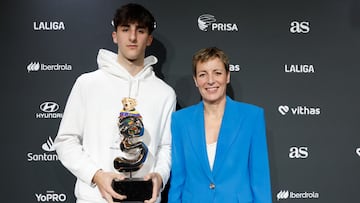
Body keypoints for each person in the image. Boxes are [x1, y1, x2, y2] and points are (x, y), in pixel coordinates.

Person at [54, 3, 176, 203]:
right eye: (126, 29)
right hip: (95, 198)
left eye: (140, 30)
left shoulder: (165, 93)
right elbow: (66, 141)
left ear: (149, 39)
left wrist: (160, 177)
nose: (133, 37)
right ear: (115, 36)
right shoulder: (87, 84)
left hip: (145, 199)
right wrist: (96, 175)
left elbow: (167, 147)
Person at [168, 47, 272, 203]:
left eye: (217, 73)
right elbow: (178, 178)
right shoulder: (180, 120)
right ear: (196, 80)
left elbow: (260, 180)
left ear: (227, 76)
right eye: (203, 74)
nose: (210, 80)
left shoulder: (251, 117)